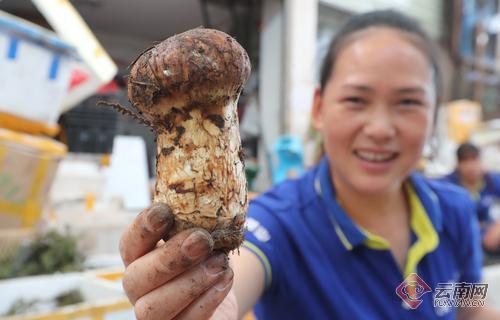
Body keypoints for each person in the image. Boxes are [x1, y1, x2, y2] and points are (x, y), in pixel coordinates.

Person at [118, 10, 500, 319]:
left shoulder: (455, 209)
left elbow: (468, 303)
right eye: (356, 99)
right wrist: (210, 304)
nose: (381, 129)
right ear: (319, 109)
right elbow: (242, 271)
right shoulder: (278, 222)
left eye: (408, 102)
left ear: (435, 117)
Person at [442, 142, 500, 253]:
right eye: (465, 161)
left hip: (490, 238)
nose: (470, 166)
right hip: (461, 242)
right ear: (458, 164)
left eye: (474, 159)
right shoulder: (447, 186)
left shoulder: (492, 180)